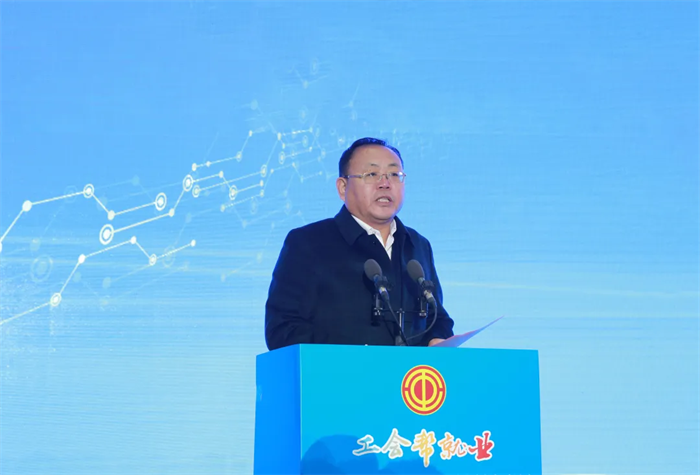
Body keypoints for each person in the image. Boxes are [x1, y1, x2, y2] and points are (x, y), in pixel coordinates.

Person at [264, 137, 454, 350]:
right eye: (372, 174)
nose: (385, 183)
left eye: (394, 174)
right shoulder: (308, 243)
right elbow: (282, 329)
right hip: (338, 371)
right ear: (342, 187)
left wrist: (438, 339)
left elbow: (437, 319)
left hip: (409, 373)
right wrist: (352, 360)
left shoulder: (418, 245)